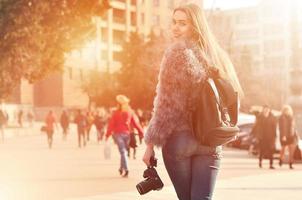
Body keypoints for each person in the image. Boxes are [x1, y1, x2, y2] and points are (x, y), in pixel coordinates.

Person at [142, 3, 243, 200]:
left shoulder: (176, 53)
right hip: (210, 140)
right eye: (174, 22)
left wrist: (150, 145)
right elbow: (232, 100)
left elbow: (167, 105)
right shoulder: (218, 56)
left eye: (182, 23)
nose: (175, 28)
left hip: (181, 140)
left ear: (195, 26)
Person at [105, 95, 144, 178]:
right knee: (124, 152)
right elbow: (135, 123)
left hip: (118, 134)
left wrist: (107, 135)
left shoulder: (115, 113)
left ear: (118, 104)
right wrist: (141, 132)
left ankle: (126, 169)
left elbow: (111, 124)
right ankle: (121, 168)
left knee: (123, 152)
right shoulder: (130, 112)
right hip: (127, 134)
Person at [279, 105, 297, 169]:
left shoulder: (291, 117)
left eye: (288, 110)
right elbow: (281, 128)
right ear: (283, 111)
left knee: (291, 151)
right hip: (284, 136)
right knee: (283, 149)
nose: (287, 111)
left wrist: (296, 135)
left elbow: (294, 127)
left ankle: (290, 163)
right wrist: (283, 135)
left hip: (291, 135)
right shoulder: (281, 117)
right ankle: (281, 159)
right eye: (285, 110)